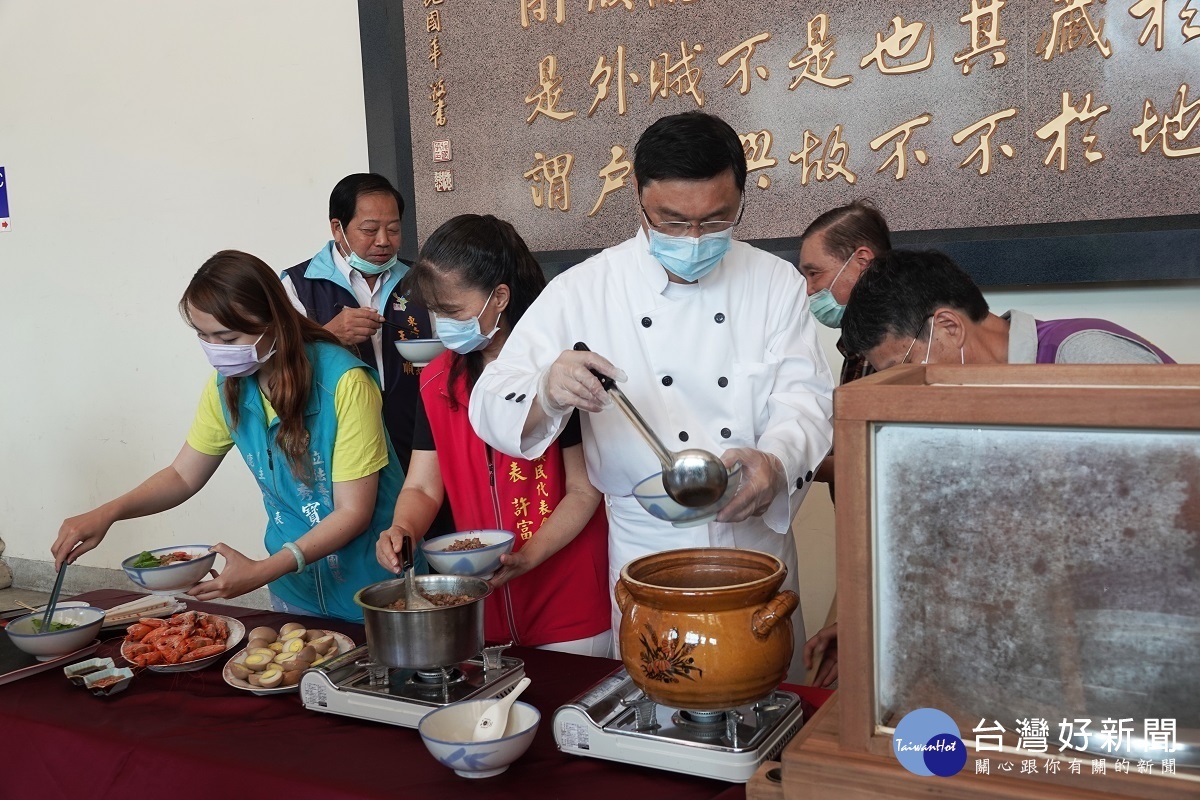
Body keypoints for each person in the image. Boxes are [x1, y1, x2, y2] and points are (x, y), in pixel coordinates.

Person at [468, 111, 835, 677]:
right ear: (639, 198)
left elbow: (805, 398)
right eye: (672, 221)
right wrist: (547, 389)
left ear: (741, 198)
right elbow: (491, 400)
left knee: (766, 698)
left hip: (755, 541)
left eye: (715, 221)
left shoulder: (774, 283)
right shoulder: (585, 289)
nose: (693, 239)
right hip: (646, 546)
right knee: (658, 698)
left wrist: (776, 461)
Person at [52, 250, 404, 621]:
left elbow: (353, 512)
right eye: (204, 337)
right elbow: (183, 475)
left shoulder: (344, 383)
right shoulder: (227, 387)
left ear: (275, 322)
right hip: (295, 589)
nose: (216, 351)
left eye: (227, 336)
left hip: (369, 589)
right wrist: (108, 513)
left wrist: (261, 571)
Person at [374, 215, 611, 656]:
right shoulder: (439, 379)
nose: (442, 327)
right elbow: (424, 485)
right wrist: (401, 528)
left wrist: (529, 556)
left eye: (453, 312)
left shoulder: (558, 374)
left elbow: (583, 490)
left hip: (569, 598)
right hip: (482, 602)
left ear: (499, 296)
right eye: (436, 314)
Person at [842, 249, 1175, 369]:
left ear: (949, 327)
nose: (906, 388)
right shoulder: (979, 391)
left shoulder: (1081, 355)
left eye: (906, 367)